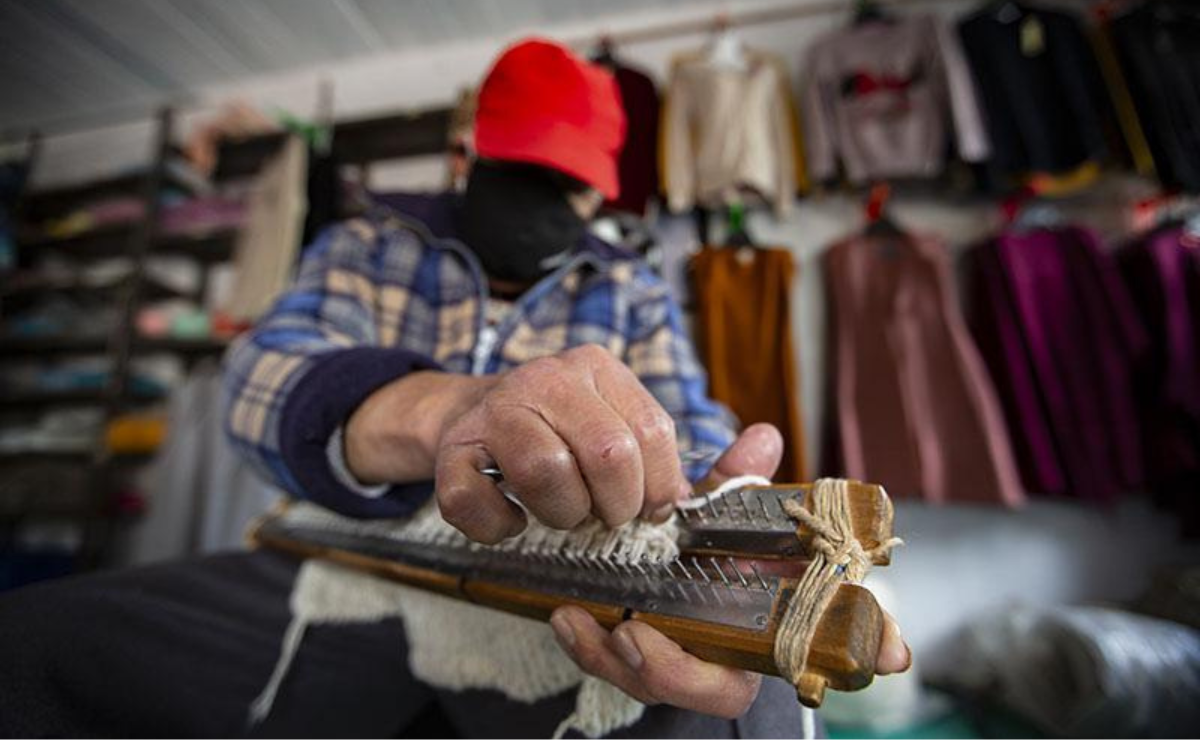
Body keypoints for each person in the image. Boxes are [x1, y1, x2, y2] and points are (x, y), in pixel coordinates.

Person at [0, 38, 908, 737]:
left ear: (600, 194)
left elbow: (692, 427)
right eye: (525, 172)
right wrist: (440, 410)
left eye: (572, 186)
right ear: (468, 155)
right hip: (339, 562)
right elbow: (258, 382)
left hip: (559, 597)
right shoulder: (370, 247)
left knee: (728, 709)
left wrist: (714, 495)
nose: (547, 200)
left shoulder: (627, 289)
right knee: (35, 650)